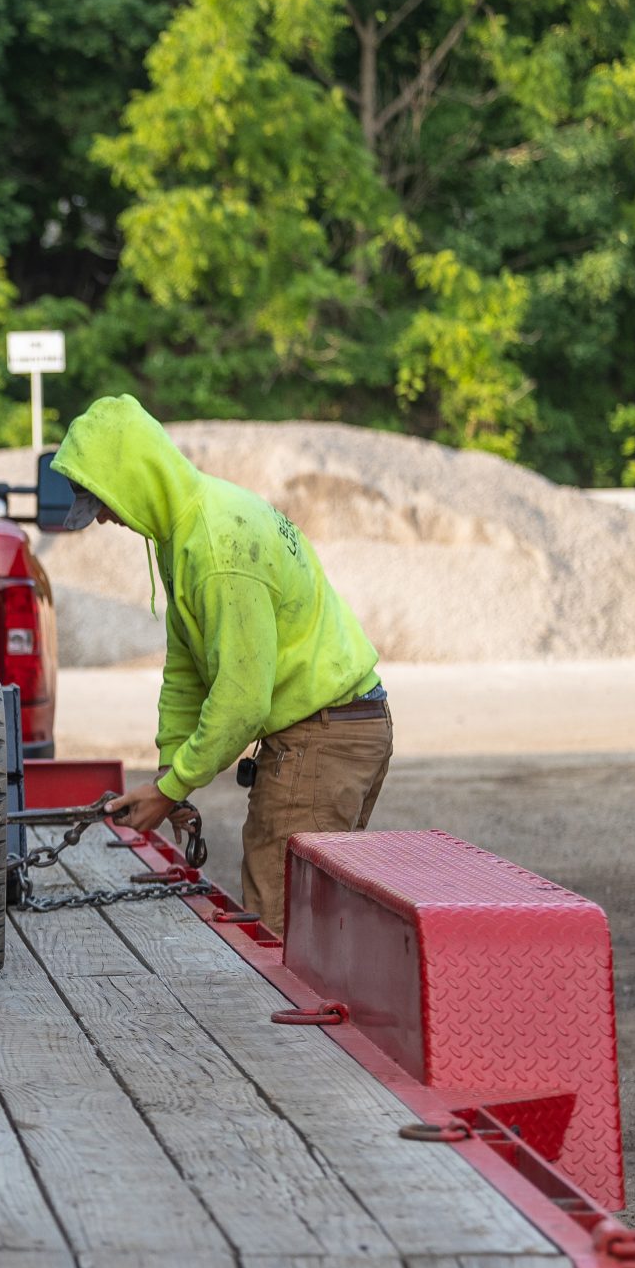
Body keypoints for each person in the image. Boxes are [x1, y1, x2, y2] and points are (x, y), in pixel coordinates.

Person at [44, 397, 391, 934]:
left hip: (324, 738)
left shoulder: (215, 549)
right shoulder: (186, 531)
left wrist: (171, 790)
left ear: (134, 480)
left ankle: (290, 1019)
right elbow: (185, 668)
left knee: (282, 923)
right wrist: (169, 774)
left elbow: (242, 699)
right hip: (338, 727)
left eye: (103, 502)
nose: (106, 519)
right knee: (312, 919)